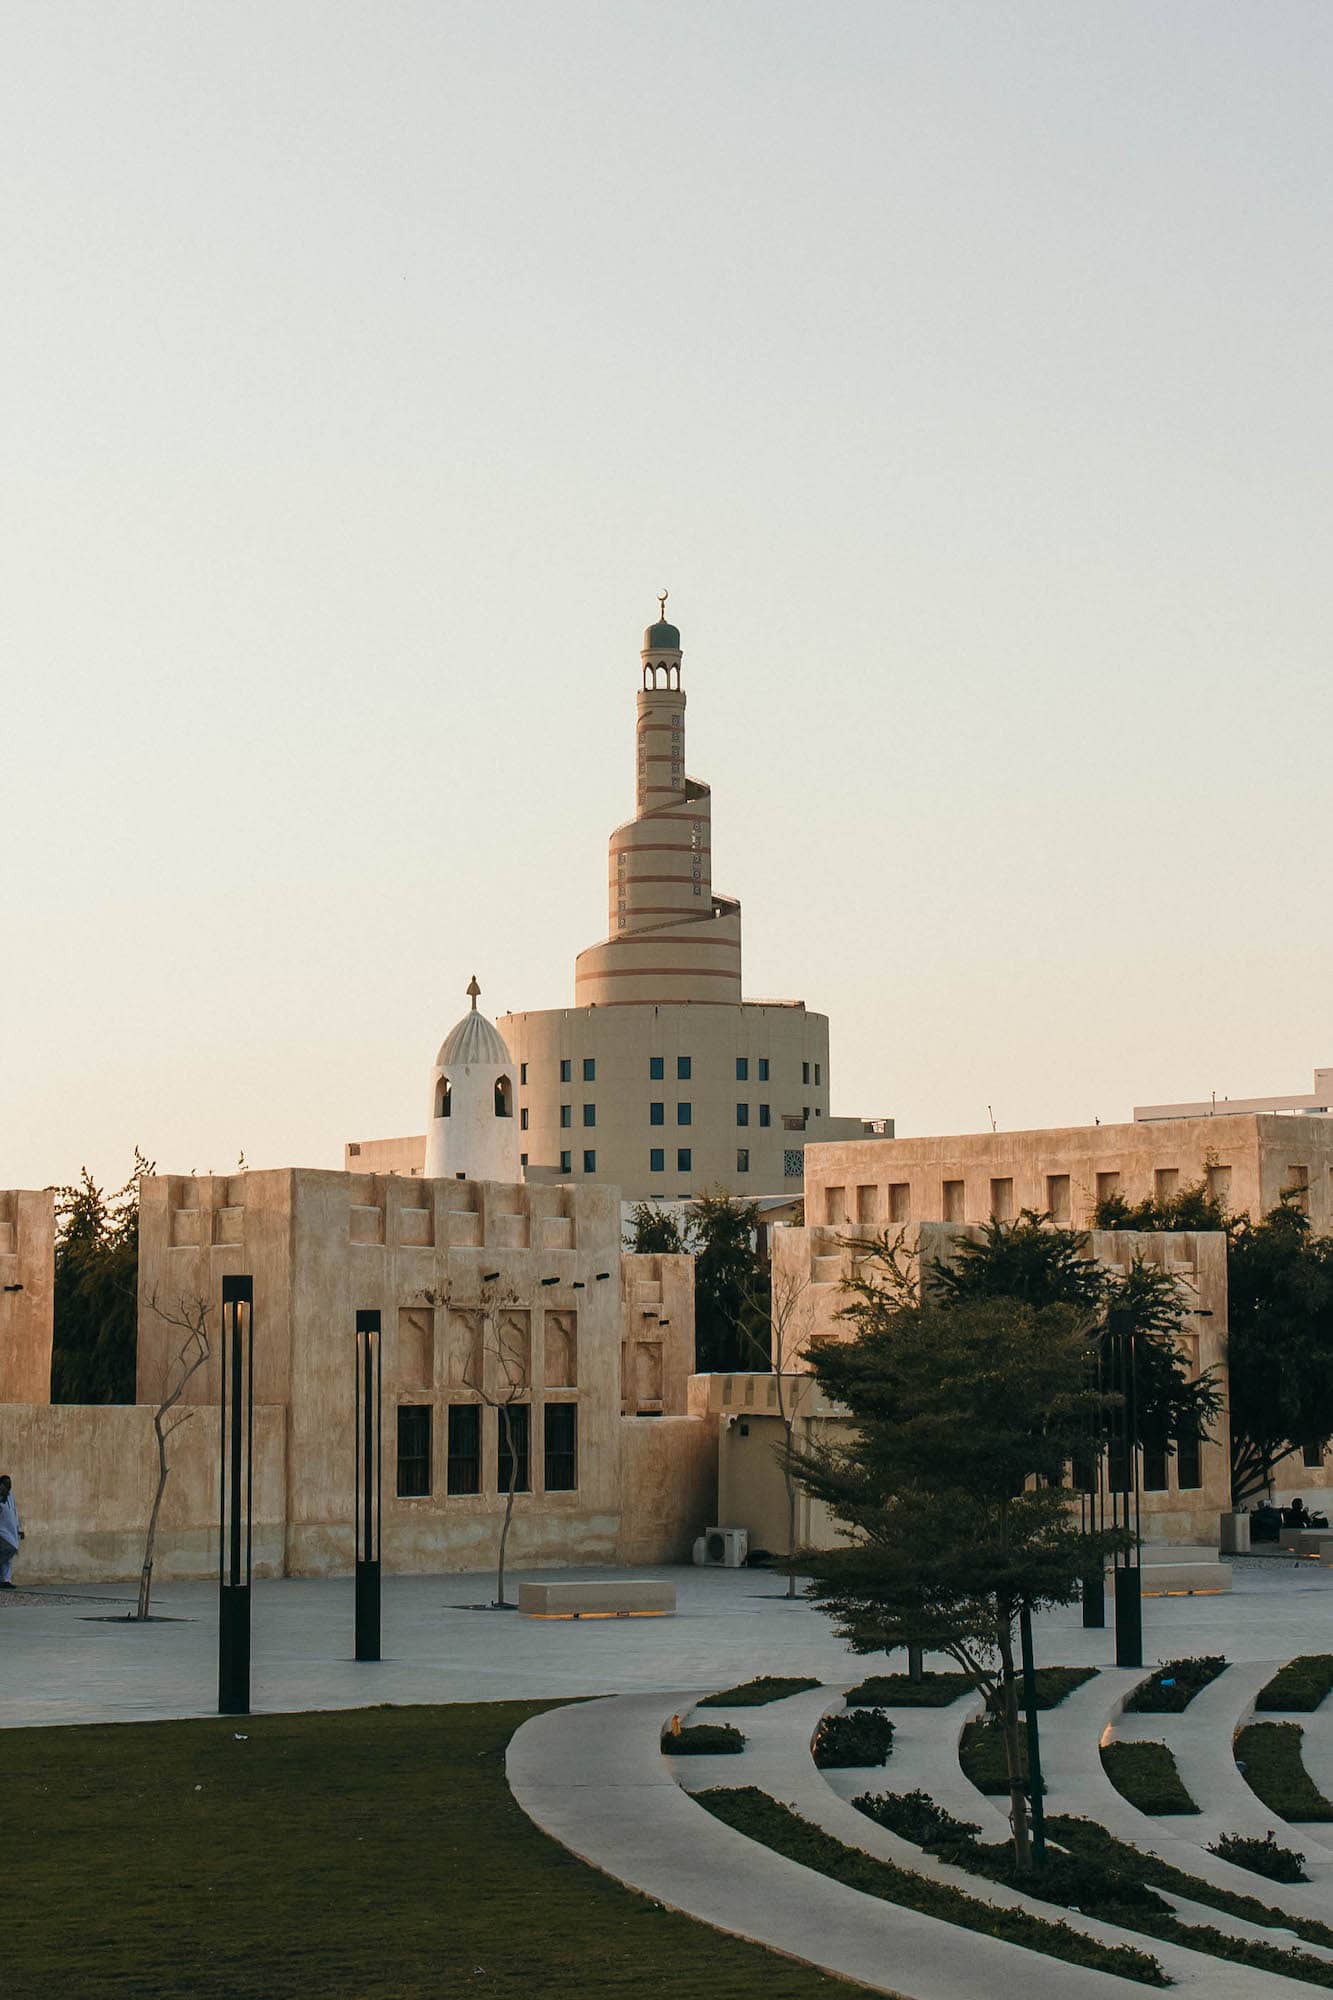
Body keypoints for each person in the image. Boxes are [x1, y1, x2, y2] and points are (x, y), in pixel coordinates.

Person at [0, 1474, 22, 1588]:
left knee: (7, 1557)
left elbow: (15, 1513)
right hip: (2, 1532)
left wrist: (19, 1529)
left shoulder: (10, 1496)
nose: (9, 1486)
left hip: (11, 1530)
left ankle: (6, 1580)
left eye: (9, 1484)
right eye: (6, 1484)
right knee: (9, 1550)